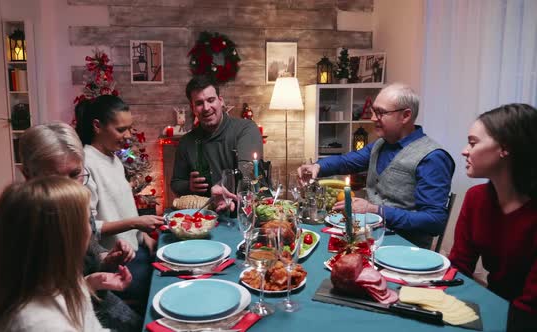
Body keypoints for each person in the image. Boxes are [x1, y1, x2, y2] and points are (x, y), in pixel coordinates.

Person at [0, 123, 143, 331]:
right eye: (57, 179)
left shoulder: (74, 203)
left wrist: (106, 260)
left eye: (75, 174)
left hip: (85, 298)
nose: (72, 188)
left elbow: (88, 258)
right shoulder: (18, 235)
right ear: (28, 174)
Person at [298, 83, 455, 248]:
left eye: (380, 113)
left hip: (404, 250)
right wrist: (318, 167)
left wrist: (375, 210)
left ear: (406, 116)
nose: (373, 118)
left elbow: (434, 221)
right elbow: (346, 161)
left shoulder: (433, 158)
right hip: (369, 240)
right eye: (373, 111)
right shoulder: (381, 144)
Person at [0, 177, 109, 331]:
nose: (91, 230)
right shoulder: (40, 324)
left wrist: (88, 283)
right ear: (65, 239)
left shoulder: (67, 282)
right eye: (86, 221)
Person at [449, 103, 537, 330]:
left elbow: (530, 305)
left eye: (473, 142)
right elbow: (459, 267)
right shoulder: (476, 198)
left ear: (505, 148)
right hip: (496, 303)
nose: (464, 151)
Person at [74, 95, 164, 311]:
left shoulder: (114, 158)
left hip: (136, 252)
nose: (128, 136)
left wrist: (144, 238)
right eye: (121, 129)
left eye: (130, 128)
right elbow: (91, 227)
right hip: (115, 264)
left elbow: (122, 208)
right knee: (160, 288)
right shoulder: (86, 165)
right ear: (97, 126)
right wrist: (135, 223)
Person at [171, 75, 264, 197]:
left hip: (243, 209)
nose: (206, 108)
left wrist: (219, 187)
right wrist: (189, 185)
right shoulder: (186, 142)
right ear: (193, 108)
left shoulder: (246, 129)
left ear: (221, 101)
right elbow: (176, 183)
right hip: (206, 213)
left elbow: (247, 172)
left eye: (210, 100)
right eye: (199, 103)